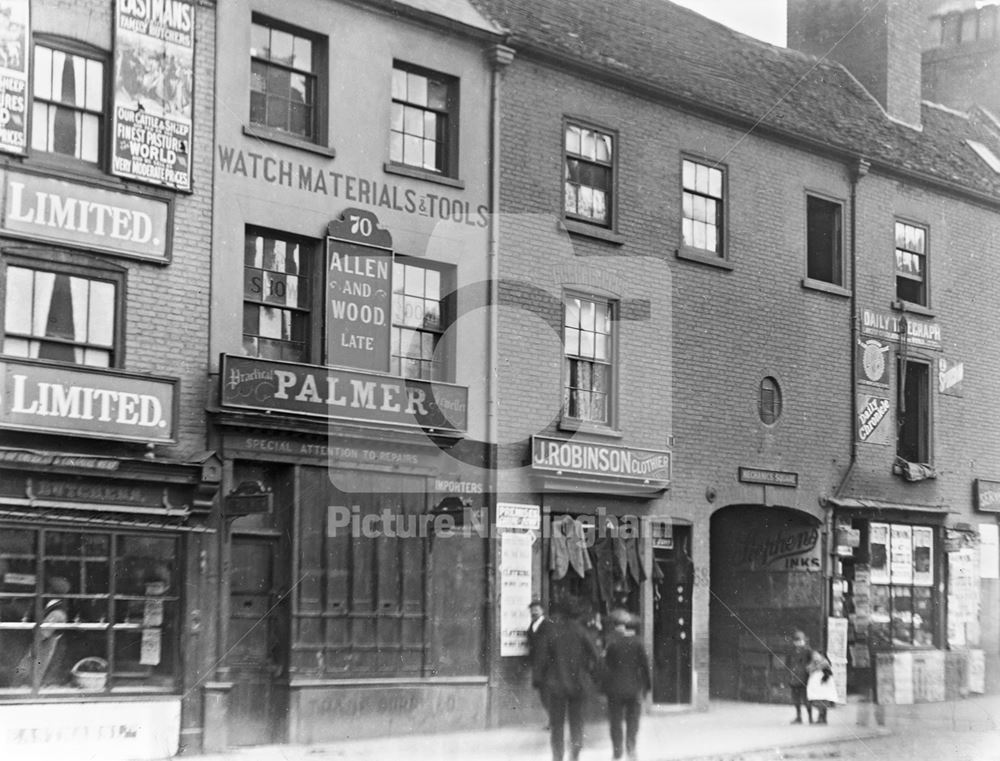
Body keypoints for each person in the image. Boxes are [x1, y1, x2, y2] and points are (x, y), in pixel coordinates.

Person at [537, 603, 600, 761]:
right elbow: (596, 657)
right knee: (577, 723)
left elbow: (542, 659)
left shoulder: (552, 632)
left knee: (557, 726)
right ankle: (575, 755)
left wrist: (545, 677)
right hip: (579, 684)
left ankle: (557, 757)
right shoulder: (582, 632)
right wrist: (588, 673)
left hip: (556, 684)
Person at [601, 609, 650, 761]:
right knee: (633, 720)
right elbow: (645, 666)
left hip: (615, 689)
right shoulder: (638, 642)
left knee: (615, 721)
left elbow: (605, 667)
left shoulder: (611, 643)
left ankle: (617, 751)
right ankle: (631, 748)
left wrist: (604, 688)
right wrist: (647, 687)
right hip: (634, 688)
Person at [787, 630, 833, 724]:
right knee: (796, 699)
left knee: (807, 699)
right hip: (794, 677)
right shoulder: (792, 651)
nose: (798, 643)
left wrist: (811, 669)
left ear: (804, 641)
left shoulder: (808, 651)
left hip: (805, 678)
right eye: (796, 641)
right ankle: (799, 716)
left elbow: (818, 661)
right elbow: (788, 663)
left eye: (800, 641)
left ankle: (810, 718)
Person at [526, 599, 556, 727]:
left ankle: (554, 721)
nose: (534, 612)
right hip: (538, 665)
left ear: (542, 610)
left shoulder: (547, 624)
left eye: (536, 609)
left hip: (547, 666)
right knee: (544, 695)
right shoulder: (533, 625)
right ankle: (552, 720)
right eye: (532, 610)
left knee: (547, 694)